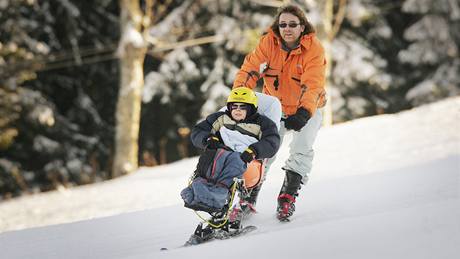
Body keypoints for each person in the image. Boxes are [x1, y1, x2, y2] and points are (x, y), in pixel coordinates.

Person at [232, 4, 327, 221]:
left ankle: (287, 198)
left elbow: (312, 84)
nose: (287, 28)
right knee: (264, 151)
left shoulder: (314, 49)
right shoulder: (269, 43)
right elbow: (250, 70)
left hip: (307, 108)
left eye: (293, 24)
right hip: (275, 107)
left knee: (301, 148)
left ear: (302, 27)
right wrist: (239, 98)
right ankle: (247, 198)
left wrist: (304, 112)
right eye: (283, 24)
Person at [180, 87, 280, 214]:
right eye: (234, 107)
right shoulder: (221, 118)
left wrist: (254, 150)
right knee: (209, 158)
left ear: (251, 109)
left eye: (243, 107)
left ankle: (217, 198)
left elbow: (272, 142)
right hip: (221, 153)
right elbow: (198, 131)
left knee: (233, 161)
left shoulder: (263, 123)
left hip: (246, 159)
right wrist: (208, 138)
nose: (238, 110)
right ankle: (197, 191)